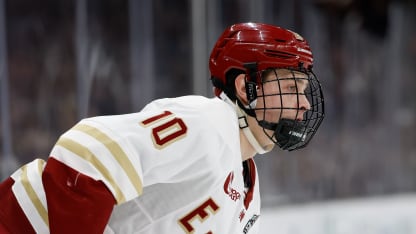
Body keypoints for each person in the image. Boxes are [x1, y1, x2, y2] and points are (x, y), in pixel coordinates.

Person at [0, 22, 324, 234]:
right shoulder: (208, 124)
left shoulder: (248, 196)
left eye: (304, 91)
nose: (305, 104)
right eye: (292, 88)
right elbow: (88, 154)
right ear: (244, 88)